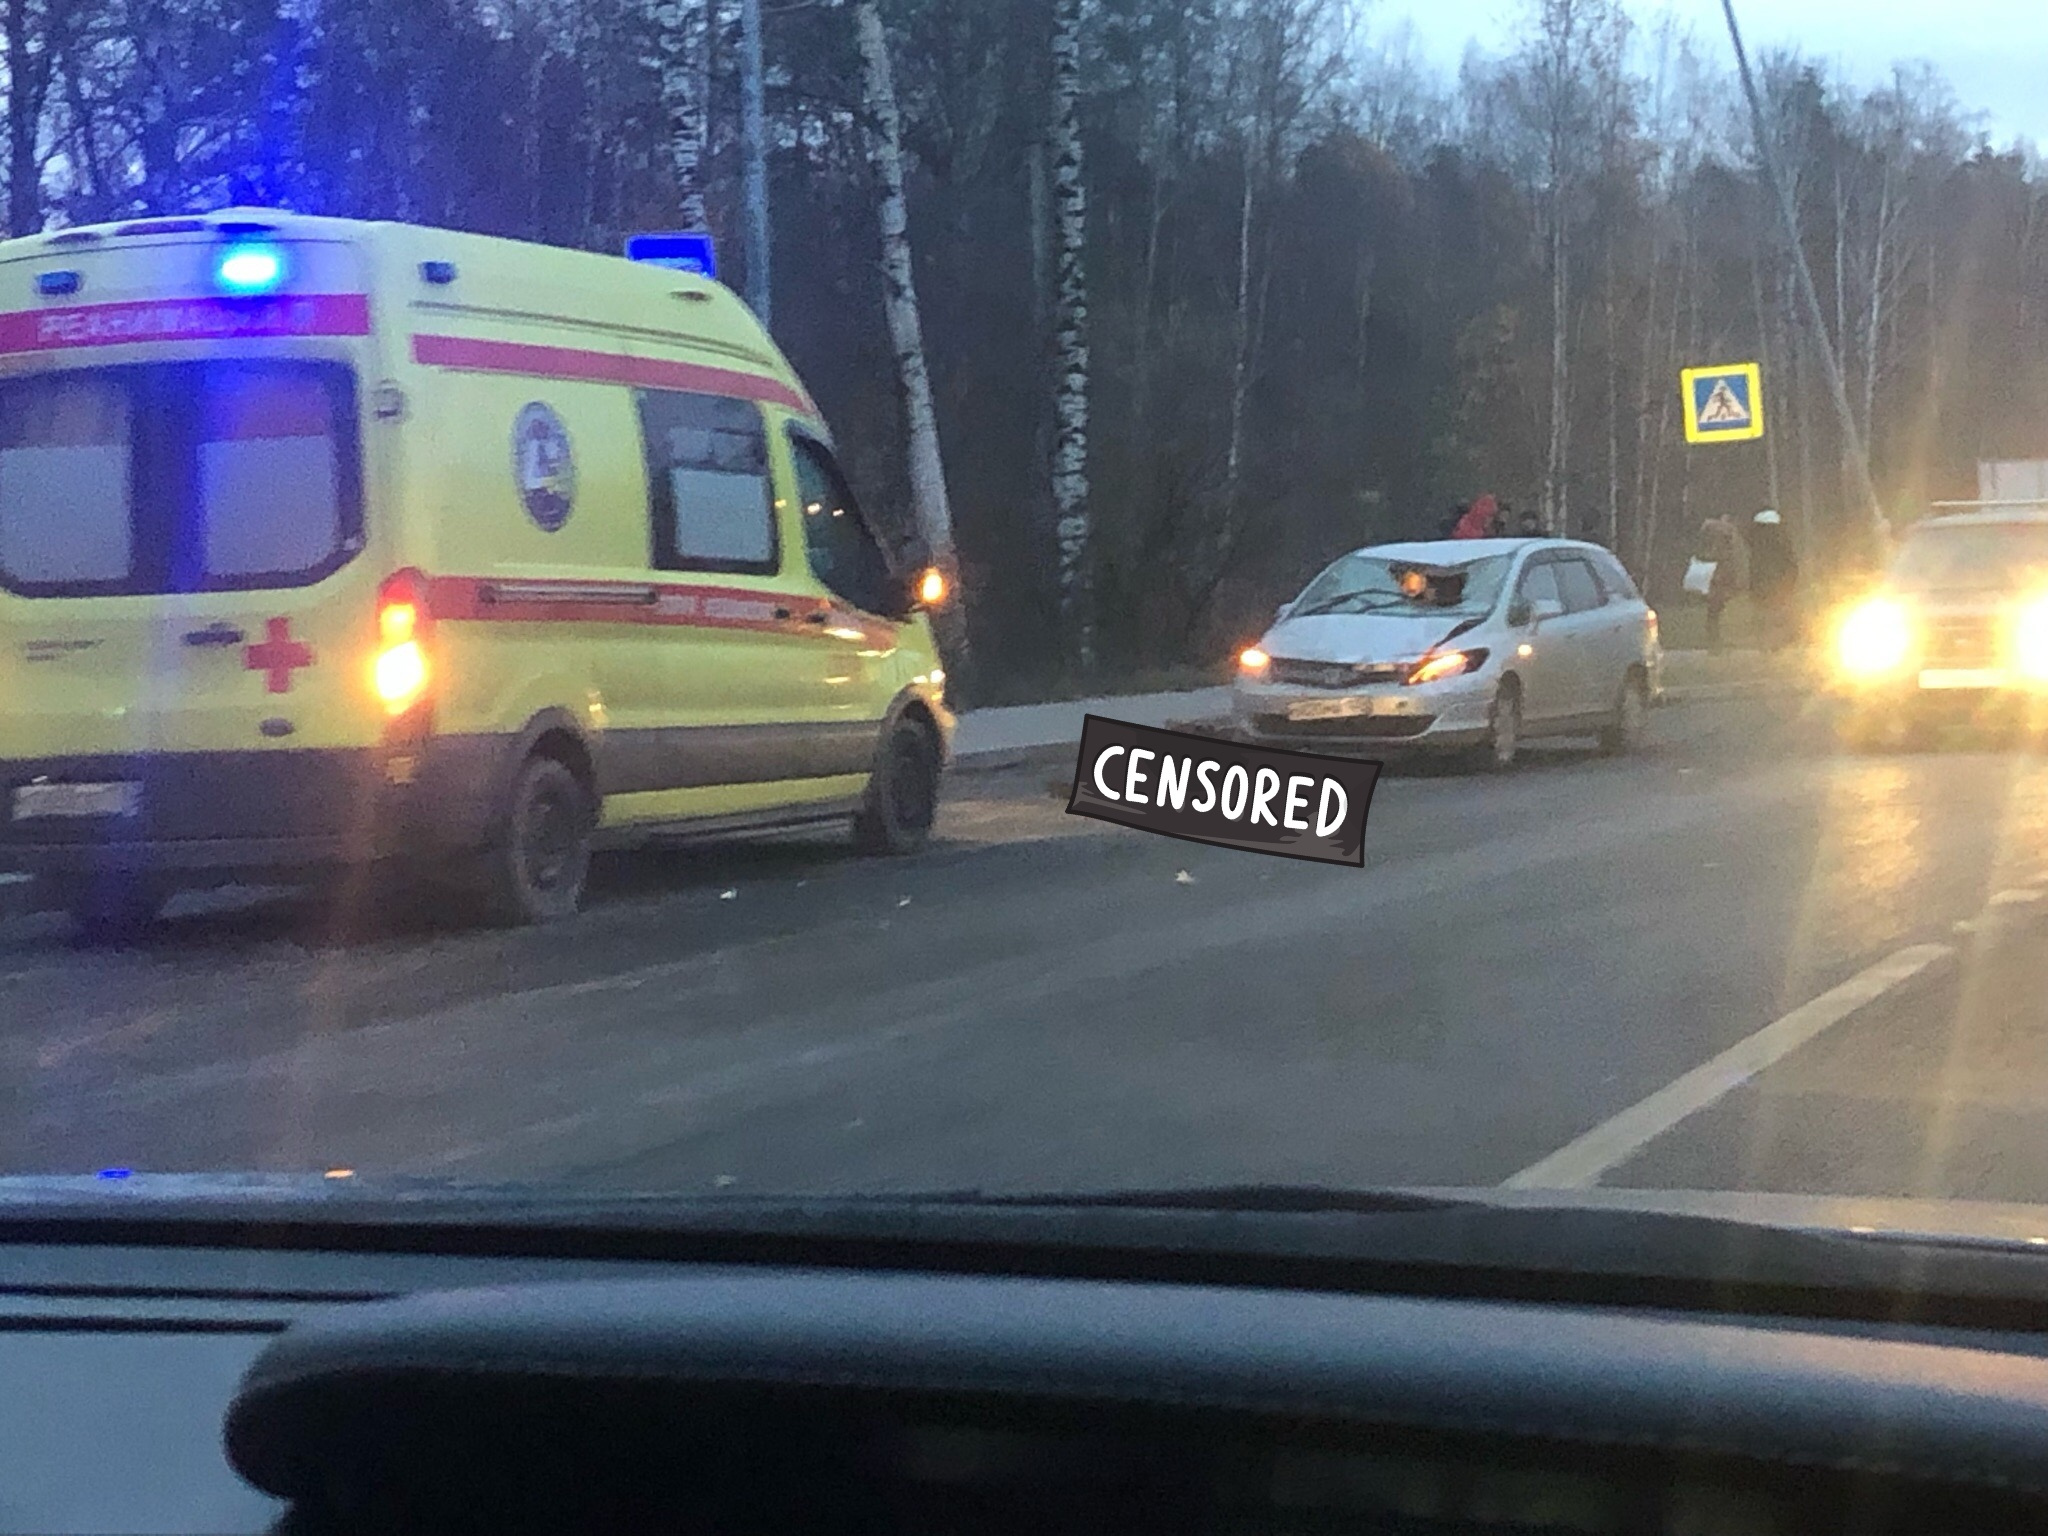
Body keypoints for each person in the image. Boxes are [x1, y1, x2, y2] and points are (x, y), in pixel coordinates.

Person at [1747, 509, 1800, 651]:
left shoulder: (1756, 544)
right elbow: (1790, 562)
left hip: (1764, 582)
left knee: (1766, 613)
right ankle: (1775, 642)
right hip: (1777, 581)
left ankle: (1768, 642)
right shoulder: (1781, 541)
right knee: (1776, 612)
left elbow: (1753, 565)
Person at [1692, 517, 1747, 653]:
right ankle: (1714, 641)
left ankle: (1715, 640)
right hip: (1718, 579)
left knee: (1714, 611)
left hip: (1717, 579)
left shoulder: (1712, 543)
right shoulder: (1723, 544)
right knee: (1715, 610)